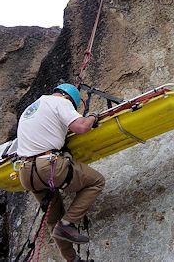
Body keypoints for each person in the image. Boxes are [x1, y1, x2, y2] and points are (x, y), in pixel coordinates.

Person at [17, 83, 105, 262]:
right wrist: (93, 117)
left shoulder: (30, 109)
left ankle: (72, 259)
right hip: (48, 166)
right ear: (68, 99)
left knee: (53, 218)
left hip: (26, 173)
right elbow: (80, 127)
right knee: (96, 181)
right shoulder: (60, 103)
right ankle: (68, 222)